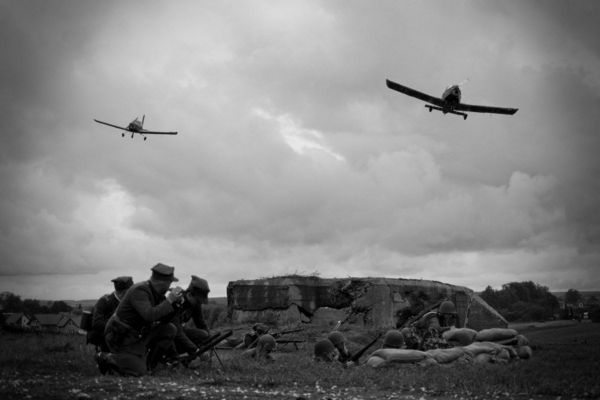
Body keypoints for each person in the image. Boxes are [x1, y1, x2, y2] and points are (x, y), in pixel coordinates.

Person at [99, 263, 183, 376]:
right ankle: (105, 357)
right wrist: (169, 301)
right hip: (120, 337)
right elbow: (149, 315)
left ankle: (149, 366)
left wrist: (176, 305)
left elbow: (163, 320)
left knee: (169, 329)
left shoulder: (156, 293)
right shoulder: (140, 290)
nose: (169, 287)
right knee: (138, 372)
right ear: (162, 282)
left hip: (137, 334)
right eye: (169, 283)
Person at [87, 276, 134, 352]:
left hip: (118, 340)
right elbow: (97, 324)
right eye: (130, 291)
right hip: (103, 339)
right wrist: (118, 325)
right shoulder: (104, 301)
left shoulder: (127, 303)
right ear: (124, 292)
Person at [169, 275, 212, 358]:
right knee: (173, 335)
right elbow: (178, 332)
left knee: (204, 335)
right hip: (169, 334)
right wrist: (195, 350)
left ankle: (186, 356)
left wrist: (210, 341)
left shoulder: (196, 304)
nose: (199, 303)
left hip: (180, 332)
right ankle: (173, 358)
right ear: (189, 294)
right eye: (198, 300)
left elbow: (201, 323)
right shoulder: (176, 301)